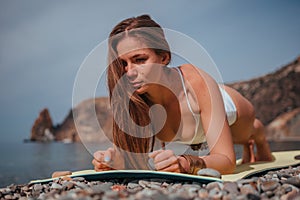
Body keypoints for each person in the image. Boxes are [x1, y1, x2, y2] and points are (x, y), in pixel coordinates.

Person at [92, 14, 273, 175]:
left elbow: (226, 160)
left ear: (164, 58)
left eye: (140, 60)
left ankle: (258, 138)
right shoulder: (133, 99)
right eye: (123, 63)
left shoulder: (198, 83)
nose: (129, 72)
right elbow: (132, 158)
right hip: (198, 123)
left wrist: (185, 163)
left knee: (245, 133)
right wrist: (113, 161)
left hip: (229, 106)